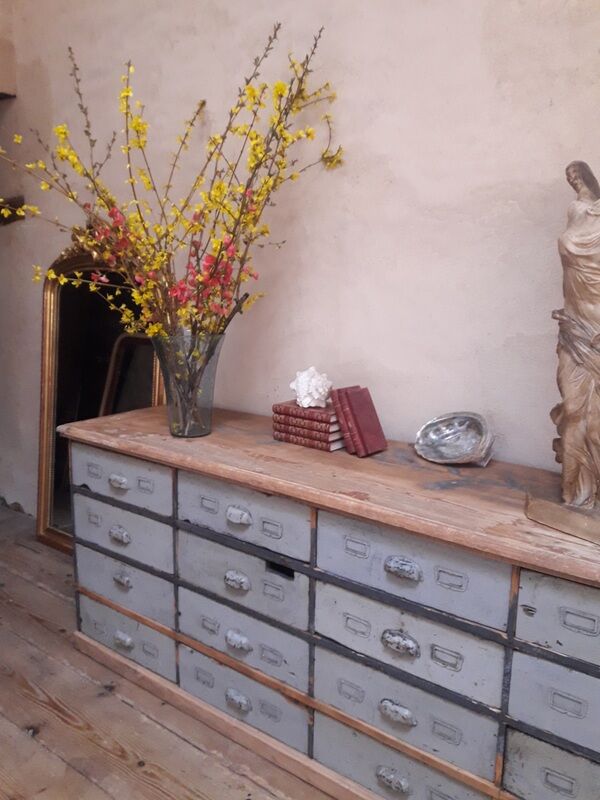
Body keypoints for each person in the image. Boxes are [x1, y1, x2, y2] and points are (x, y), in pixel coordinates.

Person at [552, 160, 600, 507]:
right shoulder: (575, 212)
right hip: (572, 328)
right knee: (572, 410)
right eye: (569, 178)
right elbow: (568, 245)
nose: (573, 181)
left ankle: (588, 495)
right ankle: (572, 494)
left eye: (576, 175)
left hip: (596, 333)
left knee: (594, 420)